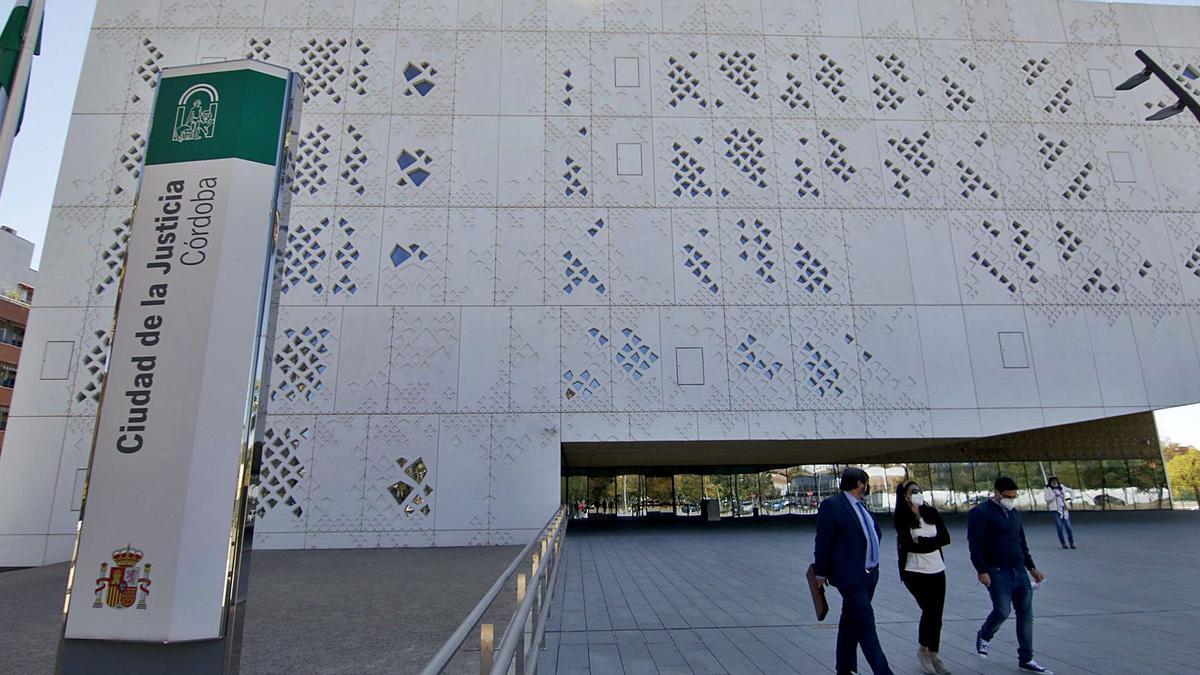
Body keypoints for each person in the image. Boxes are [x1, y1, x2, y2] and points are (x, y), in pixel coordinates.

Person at [813, 467, 894, 675]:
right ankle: (883, 671)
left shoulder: (861, 506)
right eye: (866, 482)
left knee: (850, 622)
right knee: (866, 625)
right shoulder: (833, 506)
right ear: (860, 483)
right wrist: (820, 573)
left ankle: (844, 667)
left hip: (869, 574)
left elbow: (874, 533)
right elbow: (823, 541)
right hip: (850, 576)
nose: (867, 487)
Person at [968, 477, 1052, 674]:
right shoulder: (981, 513)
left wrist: (1031, 568)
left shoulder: (1014, 513)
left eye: (1014, 496)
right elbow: (975, 544)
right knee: (1002, 611)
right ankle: (985, 634)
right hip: (996, 570)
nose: (1011, 499)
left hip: (1018, 570)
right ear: (996, 493)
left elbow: (1021, 541)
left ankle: (1026, 658)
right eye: (1007, 496)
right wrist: (982, 570)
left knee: (1025, 615)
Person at [893, 481, 951, 675]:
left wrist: (925, 541)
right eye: (913, 491)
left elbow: (945, 538)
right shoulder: (902, 517)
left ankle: (934, 653)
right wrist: (927, 543)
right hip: (915, 571)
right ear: (905, 496)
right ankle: (923, 651)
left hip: (937, 568)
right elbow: (910, 545)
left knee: (937, 614)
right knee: (929, 611)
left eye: (919, 490)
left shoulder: (931, 512)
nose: (918, 493)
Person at [1042, 477, 1075, 549]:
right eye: (1052, 482)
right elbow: (1046, 499)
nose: (1054, 483)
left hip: (1064, 508)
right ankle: (1063, 543)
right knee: (1059, 526)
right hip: (1055, 510)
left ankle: (1071, 542)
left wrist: (1071, 498)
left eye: (1055, 481)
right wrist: (1054, 495)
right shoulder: (1047, 489)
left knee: (1068, 526)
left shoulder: (1062, 487)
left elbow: (1071, 491)